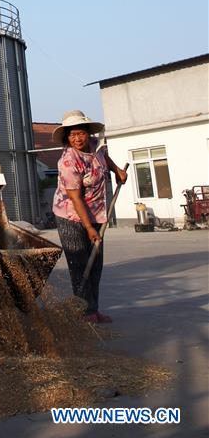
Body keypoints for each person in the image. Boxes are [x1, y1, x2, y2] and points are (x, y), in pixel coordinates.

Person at [52, 109, 128, 323]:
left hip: (96, 214)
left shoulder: (96, 147)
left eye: (81, 133)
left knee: (96, 264)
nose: (77, 138)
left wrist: (116, 171)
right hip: (70, 216)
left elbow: (104, 157)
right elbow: (75, 199)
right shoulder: (68, 160)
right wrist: (89, 228)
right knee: (80, 264)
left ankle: (94, 309)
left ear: (88, 133)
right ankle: (83, 312)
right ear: (67, 138)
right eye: (72, 135)